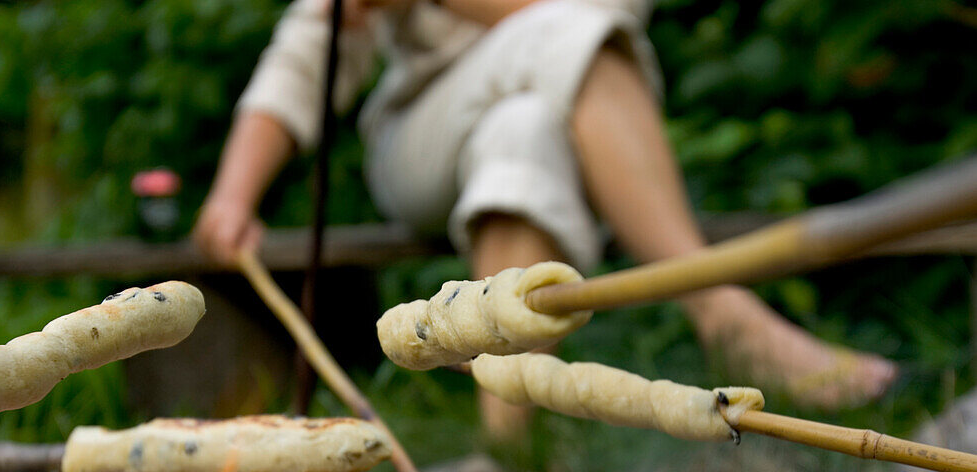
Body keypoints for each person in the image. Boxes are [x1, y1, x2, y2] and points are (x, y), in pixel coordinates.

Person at [194, 0, 897, 437]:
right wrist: (231, 198)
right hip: (420, 135)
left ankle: (510, 441)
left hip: (555, 118)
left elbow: (613, 13)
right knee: (569, 35)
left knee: (524, 129)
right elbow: (302, 59)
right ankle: (719, 308)